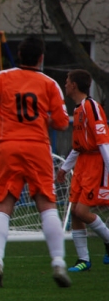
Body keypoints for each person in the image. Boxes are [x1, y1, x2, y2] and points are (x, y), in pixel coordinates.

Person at [0, 35, 71, 288]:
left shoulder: (1, 78)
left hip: (8, 146)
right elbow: (61, 122)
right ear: (41, 58)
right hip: (37, 147)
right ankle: (58, 262)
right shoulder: (49, 84)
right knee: (47, 205)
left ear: (19, 56)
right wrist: (41, 119)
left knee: (4, 205)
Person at [56, 69, 109, 272]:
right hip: (83, 164)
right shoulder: (78, 109)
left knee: (82, 210)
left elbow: (103, 141)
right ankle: (83, 260)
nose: (65, 83)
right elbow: (79, 147)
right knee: (75, 215)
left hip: (96, 163)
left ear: (74, 85)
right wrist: (64, 168)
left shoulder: (91, 107)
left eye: (67, 81)